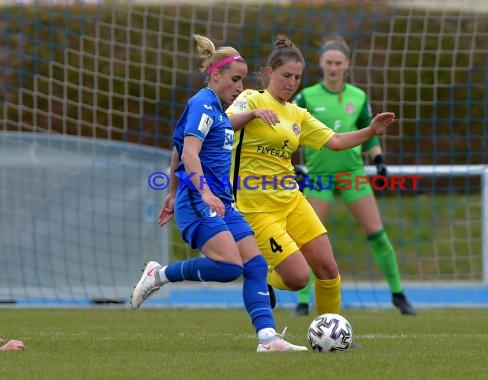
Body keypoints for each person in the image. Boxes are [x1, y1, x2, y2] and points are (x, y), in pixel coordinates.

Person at [130, 34, 307, 352]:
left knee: (255, 266)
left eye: (242, 81)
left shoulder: (216, 110)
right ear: (215, 75)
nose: (240, 88)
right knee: (229, 268)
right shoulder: (202, 103)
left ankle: (268, 339)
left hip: (217, 201)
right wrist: (200, 193)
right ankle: (160, 274)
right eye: (235, 80)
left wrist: (169, 194)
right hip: (199, 200)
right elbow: (189, 154)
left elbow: (177, 148)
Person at [226, 35, 396, 317]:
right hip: (256, 208)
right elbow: (224, 123)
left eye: (297, 77)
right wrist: (254, 114)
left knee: (328, 269)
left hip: (292, 201)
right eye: (286, 75)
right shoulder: (250, 99)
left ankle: (330, 332)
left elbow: (337, 140)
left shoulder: (298, 114)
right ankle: (263, 275)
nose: (292, 82)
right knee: (298, 278)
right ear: (270, 72)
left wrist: (370, 132)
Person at [292, 35, 416, 316]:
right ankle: (302, 301)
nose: (333, 68)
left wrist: (379, 158)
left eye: (338, 63)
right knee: (307, 239)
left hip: (352, 175)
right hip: (319, 177)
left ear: (347, 65)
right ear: (321, 64)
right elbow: (292, 133)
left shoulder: (358, 97)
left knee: (377, 234)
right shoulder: (306, 96)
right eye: (328, 63)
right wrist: (292, 165)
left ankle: (398, 294)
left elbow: (369, 133)